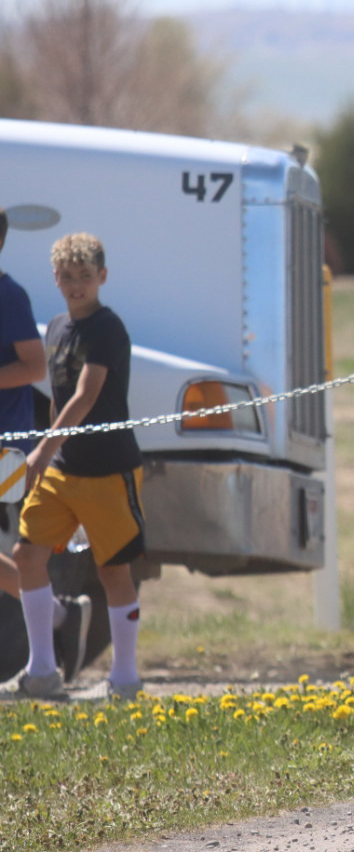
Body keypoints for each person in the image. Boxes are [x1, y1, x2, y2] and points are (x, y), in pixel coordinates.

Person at [8, 233, 145, 701]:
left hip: (108, 469)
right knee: (28, 557)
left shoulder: (107, 328)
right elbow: (60, 397)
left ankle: (124, 680)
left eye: (86, 276)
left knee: (113, 572)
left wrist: (43, 448)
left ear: (102, 277)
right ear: (56, 279)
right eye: (67, 277)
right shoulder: (57, 328)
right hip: (62, 471)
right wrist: (50, 454)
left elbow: (87, 394)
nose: (76, 285)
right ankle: (42, 671)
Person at [0, 210, 92, 687]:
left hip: (5, 445)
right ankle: (59, 617)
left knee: (17, 548)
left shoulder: (9, 295)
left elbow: (33, 367)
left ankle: (56, 623)